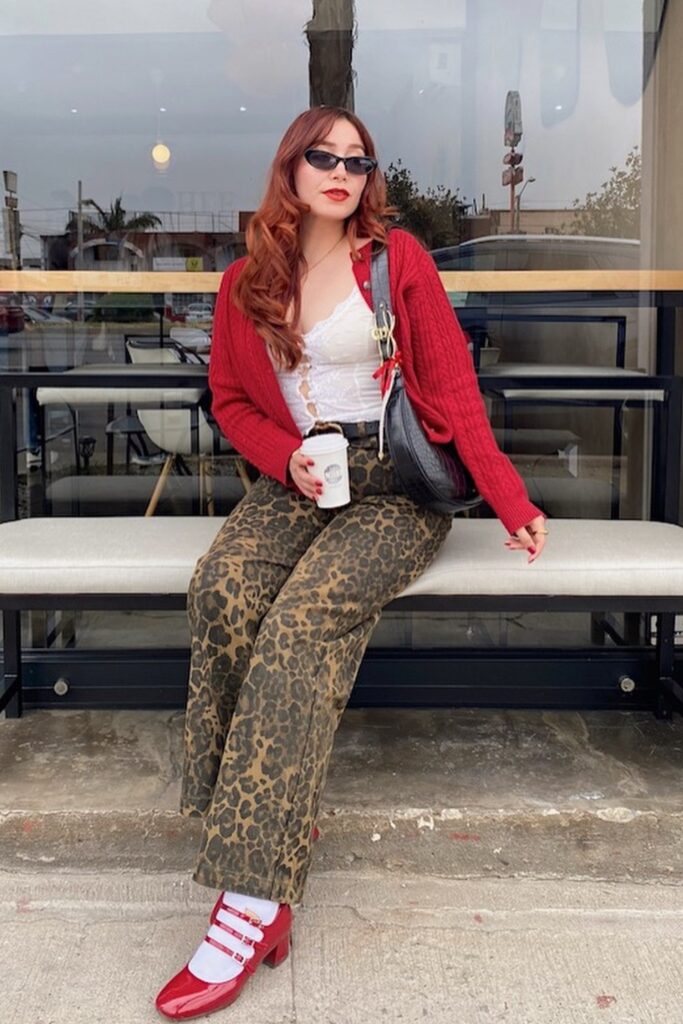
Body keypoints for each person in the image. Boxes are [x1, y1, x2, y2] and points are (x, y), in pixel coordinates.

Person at [155, 105, 549, 1020]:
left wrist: (511, 500)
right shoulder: (244, 283)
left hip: (396, 483)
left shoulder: (396, 262)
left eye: (358, 160)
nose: (342, 171)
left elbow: (452, 387)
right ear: (290, 168)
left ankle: (246, 902)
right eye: (323, 157)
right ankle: (266, 834)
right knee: (220, 592)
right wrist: (281, 456)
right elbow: (228, 401)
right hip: (300, 475)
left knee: (300, 622)